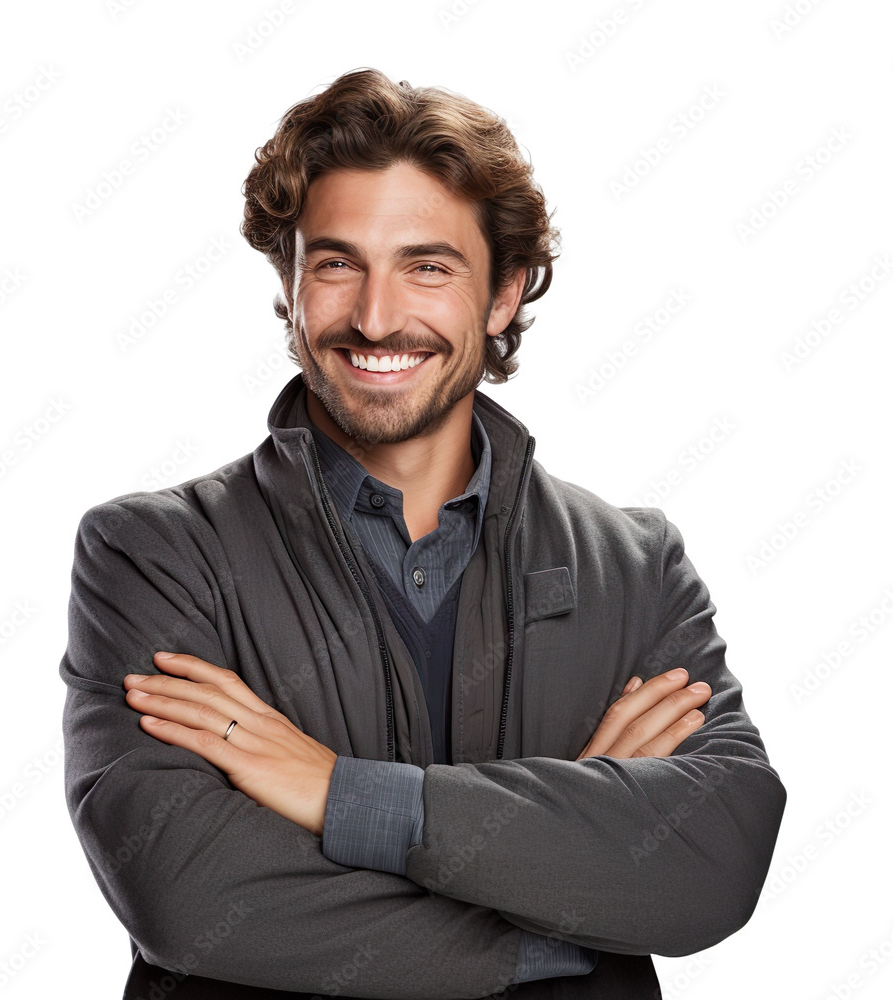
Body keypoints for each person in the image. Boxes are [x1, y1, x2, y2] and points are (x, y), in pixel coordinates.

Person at [59, 67, 786, 1000]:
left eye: (427, 266)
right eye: (335, 262)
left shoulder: (635, 566)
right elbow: (189, 896)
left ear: (503, 294)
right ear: (288, 287)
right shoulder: (159, 555)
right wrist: (565, 906)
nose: (374, 316)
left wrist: (337, 793)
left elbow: (711, 862)